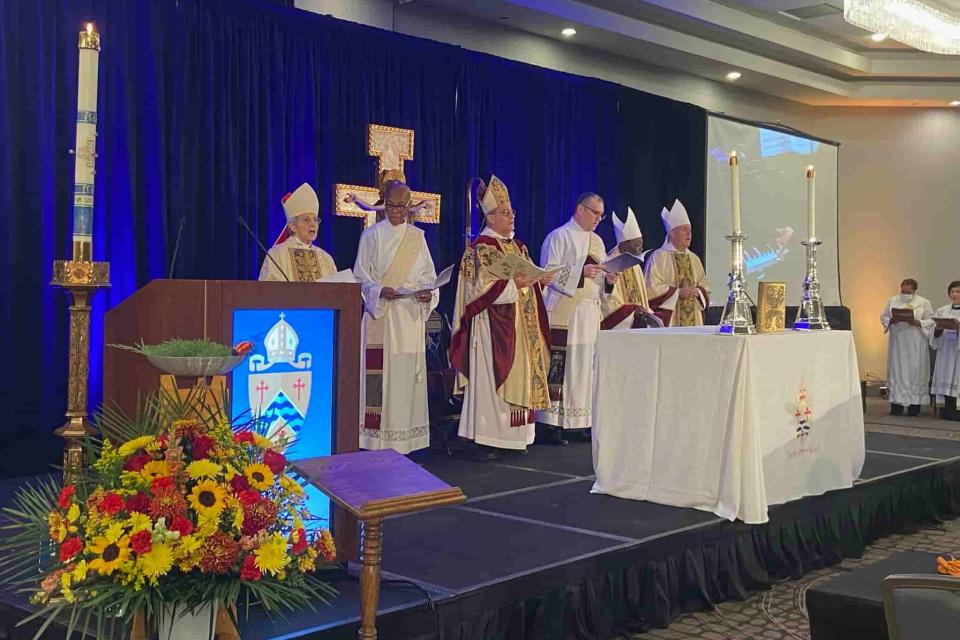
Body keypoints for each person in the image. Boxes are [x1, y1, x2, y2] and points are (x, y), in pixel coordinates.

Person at [450, 175, 553, 455]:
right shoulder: (480, 249)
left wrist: (538, 281)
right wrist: (513, 285)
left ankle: (517, 437)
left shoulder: (519, 247)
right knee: (491, 378)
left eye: (512, 212)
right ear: (490, 217)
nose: (512, 217)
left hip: (522, 323)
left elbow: (526, 279)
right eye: (506, 213)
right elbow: (475, 289)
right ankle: (489, 437)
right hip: (491, 327)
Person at [353, 181, 438, 453]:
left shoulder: (417, 237)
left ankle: (407, 441)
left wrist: (428, 293)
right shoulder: (371, 235)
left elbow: (428, 276)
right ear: (383, 203)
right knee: (383, 376)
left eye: (402, 206)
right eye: (391, 205)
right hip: (382, 316)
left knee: (405, 379)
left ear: (410, 205)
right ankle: (375, 440)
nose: (396, 211)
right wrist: (378, 291)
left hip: (409, 317)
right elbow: (359, 276)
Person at [536, 192, 617, 443]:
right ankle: (552, 424)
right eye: (595, 213)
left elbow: (600, 274)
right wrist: (580, 272)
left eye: (601, 216)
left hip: (590, 311)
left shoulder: (598, 241)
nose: (598, 219)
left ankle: (582, 420)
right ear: (580, 209)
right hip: (565, 311)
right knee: (564, 366)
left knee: (586, 367)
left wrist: (609, 280)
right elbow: (547, 273)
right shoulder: (559, 236)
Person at [644, 199, 710, 326]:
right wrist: (678, 293)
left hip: (694, 321)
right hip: (671, 321)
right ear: (671, 233)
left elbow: (705, 285)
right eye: (684, 229)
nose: (689, 234)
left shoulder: (694, 259)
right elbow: (651, 289)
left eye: (690, 230)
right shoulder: (659, 257)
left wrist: (699, 291)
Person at [259, 183, 337, 281]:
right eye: (306, 220)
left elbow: (335, 292)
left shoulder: (325, 258)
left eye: (315, 220)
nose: (313, 224)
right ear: (293, 226)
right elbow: (269, 290)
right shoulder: (277, 255)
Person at [880, 279, 934, 417]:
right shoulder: (892, 301)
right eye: (903, 291)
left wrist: (918, 322)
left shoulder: (923, 302)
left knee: (915, 372)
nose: (905, 294)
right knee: (897, 370)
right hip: (898, 343)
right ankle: (896, 405)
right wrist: (891, 320)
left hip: (916, 342)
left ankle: (914, 406)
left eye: (908, 292)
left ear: (915, 291)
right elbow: (884, 316)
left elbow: (931, 321)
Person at [600, 207, 659, 330]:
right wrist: (632, 312)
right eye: (637, 244)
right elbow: (607, 300)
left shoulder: (635, 265)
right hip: (621, 324)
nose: (641, 249)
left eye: (641, 244)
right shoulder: (610, 263)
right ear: (624, 244)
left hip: (639, 323)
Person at [344, 169, 428, 226]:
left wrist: (422, 205)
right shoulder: (387, 205)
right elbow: (370, 208)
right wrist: (357, 200)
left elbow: (411, 209)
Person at [930, 280, 960, 421]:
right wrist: (938, 329)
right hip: (946, 352)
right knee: (947, 378)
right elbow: (933, 333)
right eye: (952, 291)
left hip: (958, 353)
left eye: (958, 291)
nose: (955, 294)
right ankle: (947, 410)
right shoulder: (942, 311)